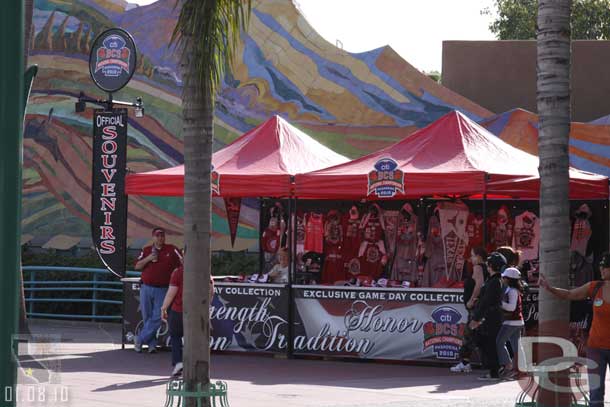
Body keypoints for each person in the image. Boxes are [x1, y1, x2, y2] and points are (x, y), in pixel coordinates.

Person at [539, 252, 610, 407]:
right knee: (596, 392)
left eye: (605, 266)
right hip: (595, 348)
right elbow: (570, 294)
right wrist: (550, 288)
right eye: (601, 266)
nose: (602, 269)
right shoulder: (595, 286)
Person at [161, 258, 215, 377]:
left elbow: (171, 293)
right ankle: (195, 366)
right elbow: (211, 291)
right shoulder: (205, 272)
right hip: (198, 312)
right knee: (196, 340)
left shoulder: (178, 272)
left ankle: (179, 362)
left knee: (175, 336)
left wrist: (163, 308)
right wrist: (206, 306)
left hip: (179, 310)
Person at [134, 227, 182, 353]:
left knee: (158, 317)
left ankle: (139, 339)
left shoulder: (172, 249)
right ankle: (151, 345)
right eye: (157, 235)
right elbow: (137, 266)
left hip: (163, 288)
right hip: (146, 287)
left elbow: (183, 262)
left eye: (162, 235)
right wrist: (148, 258)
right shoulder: (146, 250)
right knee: (147, 317)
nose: (160, 238)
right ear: (153, 237)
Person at [470, 251, 507, 380]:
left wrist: (476, 318)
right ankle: (494, 370)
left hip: (490, 317)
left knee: (488, 344)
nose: (487, 265)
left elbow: (487, 302)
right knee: (485, 342)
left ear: (491, 265)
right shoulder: (494, 280)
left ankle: (494, 371)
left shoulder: (495, 281)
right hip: (491, 316)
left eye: (489, 263)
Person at [451, 246, 488, 373]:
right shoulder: (486, 268)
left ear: (479, 257)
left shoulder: (478, 267)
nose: (471, 258)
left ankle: (465, 363)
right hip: (481, 307)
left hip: (476, 308)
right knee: (479, 334)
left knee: (469, 334)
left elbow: (479, 283)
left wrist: (472, 299)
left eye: (472, 255)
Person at [495, 267, 525, 379]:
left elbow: (511, 308)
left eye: (504, 277)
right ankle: (522, 370)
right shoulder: (513, 290)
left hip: (511, 322)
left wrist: (500, 303)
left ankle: (508, 365)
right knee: (517, 346)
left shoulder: (512, 291)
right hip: (517, 322)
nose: (502, 278)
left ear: (509, 279)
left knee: (499, 342)